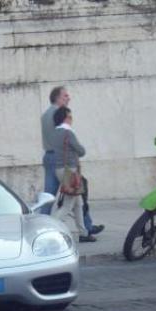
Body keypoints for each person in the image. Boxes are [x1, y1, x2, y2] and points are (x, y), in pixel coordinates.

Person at [41, 87, 104, 234]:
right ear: (57, 98)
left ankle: (84, 229)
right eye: (65, 96)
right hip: (65, 163)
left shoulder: (45, 114)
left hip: (51, 157)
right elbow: (73, 146)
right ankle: (49, 227)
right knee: (72, 197)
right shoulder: (58, 117)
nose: (68, 98)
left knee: (53, 197)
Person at [51, 106, 96, 243]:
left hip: (60, 169)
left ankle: (83, 233)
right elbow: (81, 151)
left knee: (78, 203)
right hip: (70, 171)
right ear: (65, 118)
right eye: (70, 117)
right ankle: (50, 229)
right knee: (67, 205)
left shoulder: (55, 133)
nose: (72, 120)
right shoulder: (68, 133)